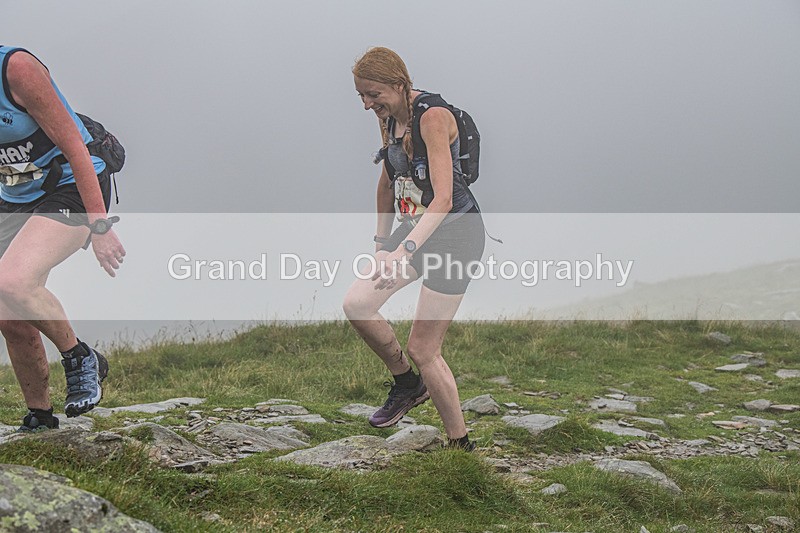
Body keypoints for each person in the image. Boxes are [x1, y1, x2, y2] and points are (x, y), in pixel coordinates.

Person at [343, 47, 486, 451]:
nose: (368, 105)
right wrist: (379, 247)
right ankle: (407, 383)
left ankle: (460, 445)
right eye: (361, 97)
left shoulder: (433, 118)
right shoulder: (388, 119)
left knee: (424, 348)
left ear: (399, 84)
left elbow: (442, 199)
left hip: (457, 234)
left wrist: (402, 250)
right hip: (416, 230)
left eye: (373, 95)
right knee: (357, 304)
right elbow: (387, 184)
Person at [0, 46, 125, 431]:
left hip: (72, 186)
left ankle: (79, 356)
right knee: (8, 310)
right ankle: (40, 415)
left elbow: (76, 149)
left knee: (13, 281)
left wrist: (99, 226)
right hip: (14, 197)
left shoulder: (16, 69)